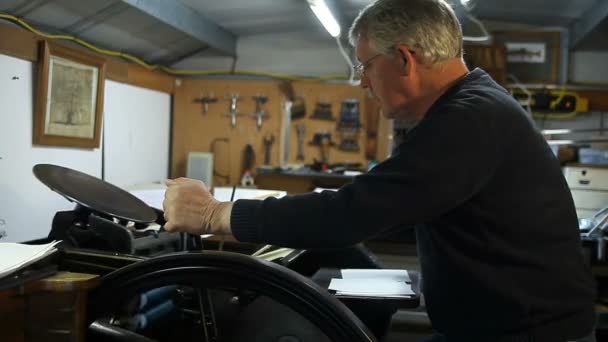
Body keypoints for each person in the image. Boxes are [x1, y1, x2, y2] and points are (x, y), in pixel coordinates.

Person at [163, 0, 596, 340]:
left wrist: (214, 215)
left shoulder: (469, 119)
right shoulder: (473, 107)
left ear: (405, 59)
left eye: (365, 65)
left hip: (524, 334)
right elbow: (399, 207)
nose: (362, 82)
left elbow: (352, 213)